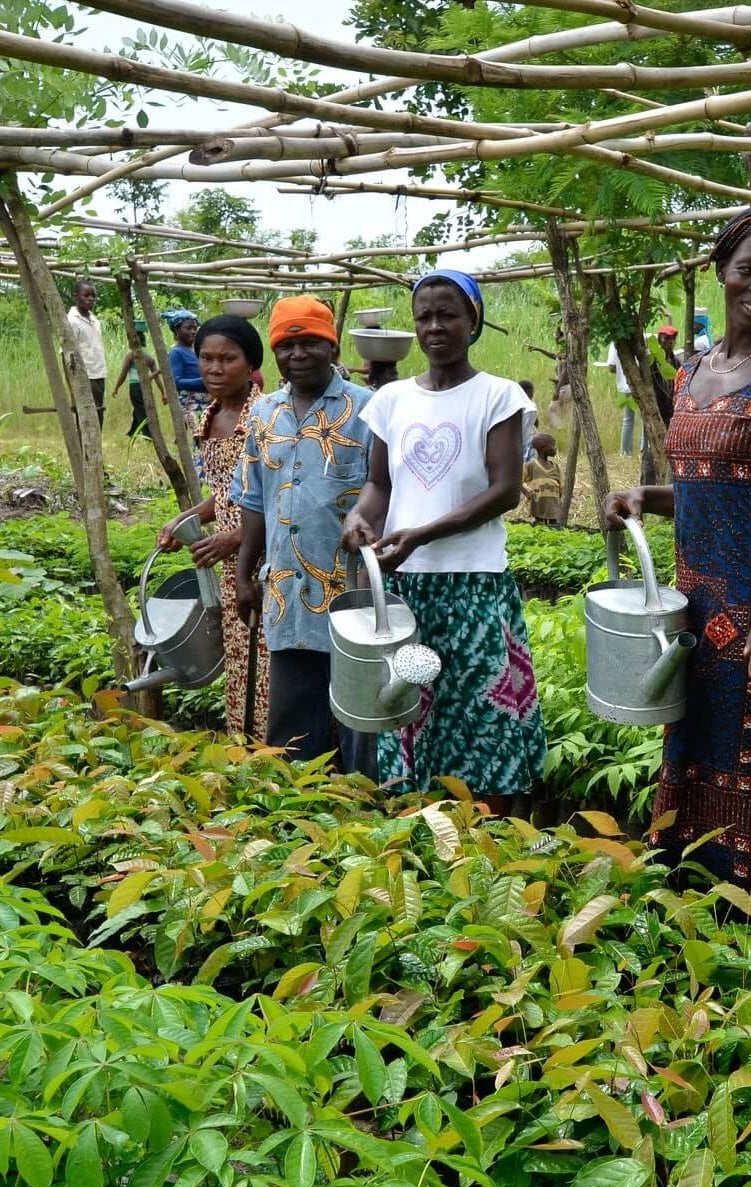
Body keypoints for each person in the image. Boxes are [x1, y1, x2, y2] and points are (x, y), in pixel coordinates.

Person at [604, 208, 751, 932]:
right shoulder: (690, 374)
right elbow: (719, 489)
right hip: (693, 616)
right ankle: (694, 924)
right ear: (721, 268)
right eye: (750, 270)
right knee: (694, 759)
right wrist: (647, 496)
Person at [340, 270, 545, 805]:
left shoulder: (498, 397)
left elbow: (505, 491)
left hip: (476, 584)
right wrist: (360, 518)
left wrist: (424, 533)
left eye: (448, 314)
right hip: (406, 587)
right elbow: (379, 485)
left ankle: (494, 837)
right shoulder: (391, 401)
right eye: (424, 316)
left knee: (484, 715)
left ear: (473, 321)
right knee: (406, 709)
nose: (435, 326)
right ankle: (422, 835)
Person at [232, 296, 375, 774]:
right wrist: (243, 572)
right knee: (293, 721)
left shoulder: (367, 410)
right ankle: (297, 816)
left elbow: (387, 490)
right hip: (286, 588)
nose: (298, 353)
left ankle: (363, 814)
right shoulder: (264, 414)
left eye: (310, 341)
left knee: (361, 715)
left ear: (331, 346)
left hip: (351, 592)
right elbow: (254, 499)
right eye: (286, 344)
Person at [157, 315, 270, 740]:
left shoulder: (266, 416)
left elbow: (282, 497)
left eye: (228, 359)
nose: (215, 369)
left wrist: (236, 537)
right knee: (239, 655)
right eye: (206, 358)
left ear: (251, 363)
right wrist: (183, 520)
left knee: (268, 657)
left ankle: (278, 753)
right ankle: (243, 746)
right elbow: (224, 493)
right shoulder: (210, 416)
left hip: (266, 555)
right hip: (226, 559)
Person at [66, 280, 107, 427]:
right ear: (76, 296)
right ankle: (84, 449)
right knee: (85, 419)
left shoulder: (95, 321)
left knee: (98, 416)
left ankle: (95, 450)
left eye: (93, 296)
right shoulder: (71, 321)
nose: (91, 299)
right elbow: (66, 356)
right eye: (86, 295)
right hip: (84, 377)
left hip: (99, 375)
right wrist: (72, 390)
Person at [109, 320, 158, 440]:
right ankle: (134, 433)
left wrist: (116, 387)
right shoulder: (149, 358)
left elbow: (123, 374)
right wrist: (163, 392)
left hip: (135, 388)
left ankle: (146, 435)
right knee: (140, 409)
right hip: (146, 387)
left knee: (140, 409)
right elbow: (156, 377)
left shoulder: (130, 355)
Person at [164, 309, 211, 423]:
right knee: (201, 436)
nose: (193, 331)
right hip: (192, 403)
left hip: (209, 400)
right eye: (189, 328)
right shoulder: (176, 352)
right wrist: (203, 381)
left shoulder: (197, 351)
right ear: (177, 330)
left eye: (195, 328)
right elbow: (176, 382)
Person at [606, 340, 643, 457]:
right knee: (646, 420)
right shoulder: (639, 338)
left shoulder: (615, 341)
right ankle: (644, 451)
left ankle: (625, 453)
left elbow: (611, 367)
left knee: (628, 421)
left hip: (625, 386)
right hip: (641, 384)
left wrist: (623, 370)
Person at [523, 431, 563, 525]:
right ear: (543, 448)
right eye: (553, 445)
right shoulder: (531, 466)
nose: (555, 448)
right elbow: (518, 480)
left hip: (554, 508)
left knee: (554, 527)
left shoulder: (556, 467)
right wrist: (526, 491)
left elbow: (561, 487)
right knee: (539, 526)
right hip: (538, 507)